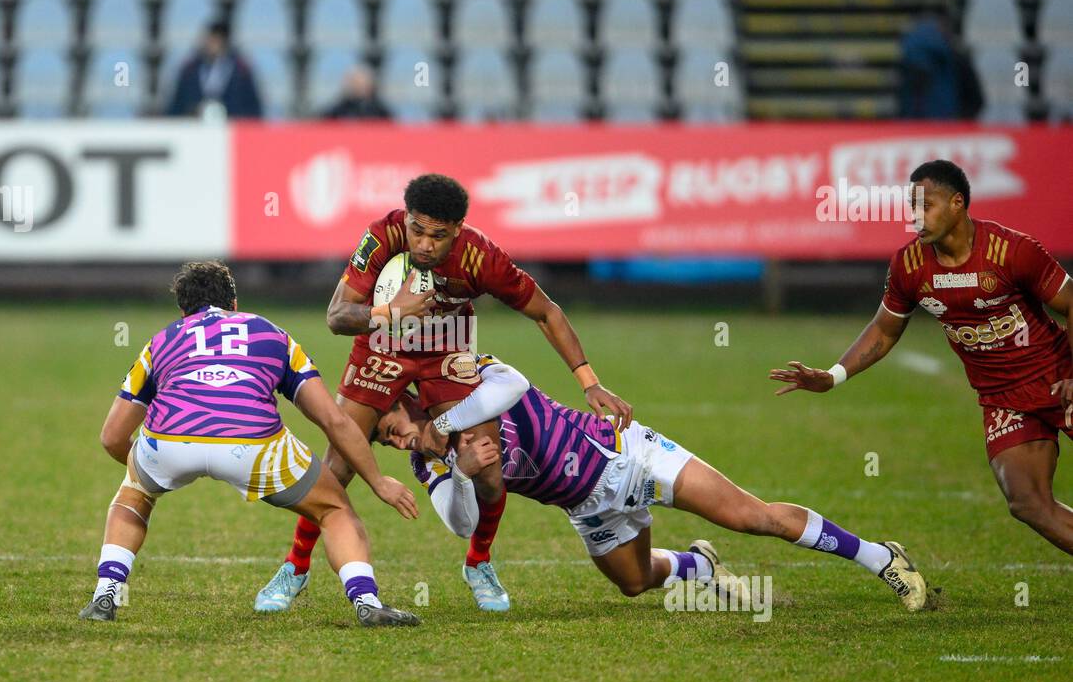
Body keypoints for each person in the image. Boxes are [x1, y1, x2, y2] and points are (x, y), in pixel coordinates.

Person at [252, 173, 633, 614]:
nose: (425, 244)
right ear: (406, 219)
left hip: (447, 348)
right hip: (383, 344)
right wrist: (390, 313)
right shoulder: (382, 236)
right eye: (418, 230)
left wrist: (589, 382)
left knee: (489, 465)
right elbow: (337, 316)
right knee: (336, 468)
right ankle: (295, 569)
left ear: (458, 229)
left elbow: (546, 312)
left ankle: (479, 562)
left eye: (438, 235)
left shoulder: (481, 257)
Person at [374, 355, 928, 610]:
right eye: (385, 441)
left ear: (406, 401)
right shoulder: (431, 465)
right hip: (587, 508)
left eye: (392, 428)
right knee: (635, 584)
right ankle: (700, 565)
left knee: (753, 517)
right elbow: (460, 522)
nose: (396, 441)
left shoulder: (464, 386)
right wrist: (465, 475)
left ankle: (881, 557)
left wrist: (447, 424)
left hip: (625, 457)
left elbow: (513, 382)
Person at [80, 261, 421, 627]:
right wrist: (378, 480)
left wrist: (143, 468)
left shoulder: (162, 340)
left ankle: (105, 595)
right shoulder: (269, 332)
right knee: (334, 508)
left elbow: (112, 436)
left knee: (132, 498)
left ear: (183, 310)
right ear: (235, 304)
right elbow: (332, 419)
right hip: (254, 445)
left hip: (170, 438)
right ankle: (366, 602)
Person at [769, 159, 1073, 557]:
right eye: (911, 207)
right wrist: (834, 375)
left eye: (925, 205)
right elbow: (884, 328)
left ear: (957, 204)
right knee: (1027, 502)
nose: (916, 216)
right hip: (1003, 399)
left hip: (1058, 378)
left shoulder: (1012, 251)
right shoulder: (909, 266)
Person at [165, 20, 263, 118]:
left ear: (225, 41)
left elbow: (253, 108)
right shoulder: (189, 70)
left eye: (216, 39)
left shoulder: (241, 72)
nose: (211, 44)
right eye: (210, 38)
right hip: (195, 129)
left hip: (231, 128)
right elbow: (176, 106)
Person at [320, 64, 393, 120]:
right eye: (355, 83)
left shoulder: (379, 111)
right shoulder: (340, 109)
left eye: (362, 84)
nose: (359, 87)